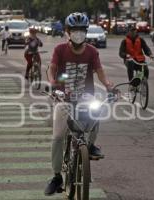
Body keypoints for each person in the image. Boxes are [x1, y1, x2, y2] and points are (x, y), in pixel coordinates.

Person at [44, 12, 112, 196]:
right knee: (58, 137)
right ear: (67, 31)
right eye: (75, 30)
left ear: (86, 32)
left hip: (86, 98)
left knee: (97, 113)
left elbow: (99, 70)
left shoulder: (92, 51)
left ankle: (89, 146)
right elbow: (52, 68)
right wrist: (52, 84)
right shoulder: (60, 50)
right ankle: (57, 176)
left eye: (82, 30)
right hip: (64, 98)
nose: (78, 33)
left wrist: (108, 86)